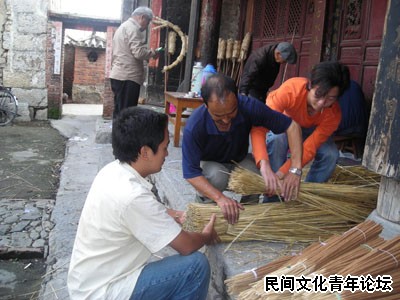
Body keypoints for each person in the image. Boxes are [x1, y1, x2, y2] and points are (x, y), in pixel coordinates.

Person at [67, 107, 220, 299]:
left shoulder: (113, 170)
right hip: (103, 291)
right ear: (145, 152)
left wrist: (174, 214)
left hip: (87, 282)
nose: (167, 154)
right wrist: (206, 235)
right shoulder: (133, 196)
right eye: (164, 147)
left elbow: (144, 210)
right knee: (195, 266)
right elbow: (186, 245)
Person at [182, 74, 303, 225]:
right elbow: (191, 173)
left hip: (239, 159)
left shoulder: (248, 106)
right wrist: (221, 198)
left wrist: (295, 170)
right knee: (217, 175)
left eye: (231, 113)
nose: (226, 120)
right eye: (218, 116)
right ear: (206, 106)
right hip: (212, 163)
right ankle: (205, 210)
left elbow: (292, 126)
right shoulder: (195, 126)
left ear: (238, 100)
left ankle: (247, 217)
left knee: (258, 176)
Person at [251, 61, 350, 196]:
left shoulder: (333, 114)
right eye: (319, 94)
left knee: (331, 154)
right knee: (277, 138)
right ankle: (273, 193)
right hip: (284, 126)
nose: (322, 103)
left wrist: (289, 171)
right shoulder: (291, 90)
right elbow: (260, 127)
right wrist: (263, 164)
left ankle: (307, 194)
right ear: (310, 85)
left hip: (310, 132)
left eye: (330, 98)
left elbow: (310, 146)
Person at [110, 7, 160, 118]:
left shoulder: (123, 27)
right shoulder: (132, 28)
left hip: (119, 75)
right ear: (142, 17)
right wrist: (152, 53)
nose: (146, 26)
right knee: (127, 114)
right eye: (147, 22)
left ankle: (117, 134)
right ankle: (123, 135)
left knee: (120, 111)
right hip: (127, 77)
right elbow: (138, 53)